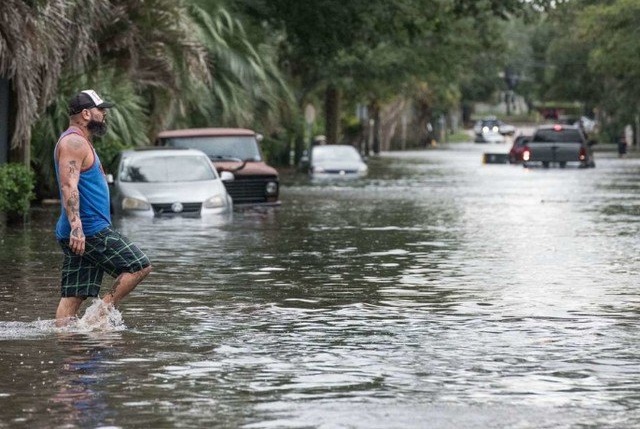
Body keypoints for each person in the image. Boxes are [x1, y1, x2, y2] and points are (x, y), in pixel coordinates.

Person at [54, 89, 152, 326]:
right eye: (101, 110)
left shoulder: (80, 141)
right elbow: (69, 185)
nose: (104, 114)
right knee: (139, 266)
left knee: (73, 296)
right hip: (89, 230)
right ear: (86, 114)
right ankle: (99, 314)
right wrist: (77, 227)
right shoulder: (74, 142)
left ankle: (69, 351)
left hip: (84, 232)